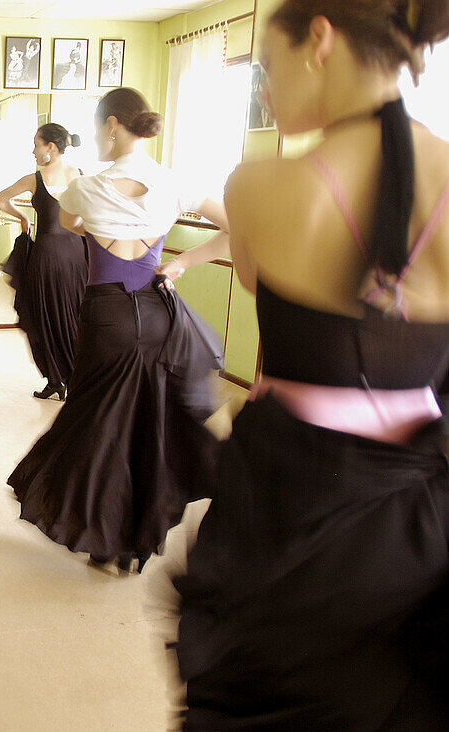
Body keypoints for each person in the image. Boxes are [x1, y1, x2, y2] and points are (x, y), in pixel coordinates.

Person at [175, 2, 449, 727]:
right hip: (420, 520)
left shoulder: (260, 189)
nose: (264, 88)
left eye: (268, 64)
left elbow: (259, 280)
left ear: (320, 40)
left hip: (294, 508)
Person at [8, 89, 229, 573]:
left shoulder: (85, 188)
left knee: (100, 425)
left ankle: (104, 533)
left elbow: (71, 223)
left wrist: (101, 228)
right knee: (148, 424)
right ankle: (136, 539)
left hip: (105, 315)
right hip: (157, 312)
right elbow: (238, 228)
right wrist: (183, 262)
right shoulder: (176, 183)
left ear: (112, 126)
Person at [0, 124, 88, 400]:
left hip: (47, 254)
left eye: (36, 144)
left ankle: (56, 378)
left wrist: (23, 219)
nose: (33, 150)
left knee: (44, 317)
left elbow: (0, 200)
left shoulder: (35, 178)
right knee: (73, 314)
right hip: (76, 253)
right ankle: (73, 378)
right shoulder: (80, 176)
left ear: (51, 147)